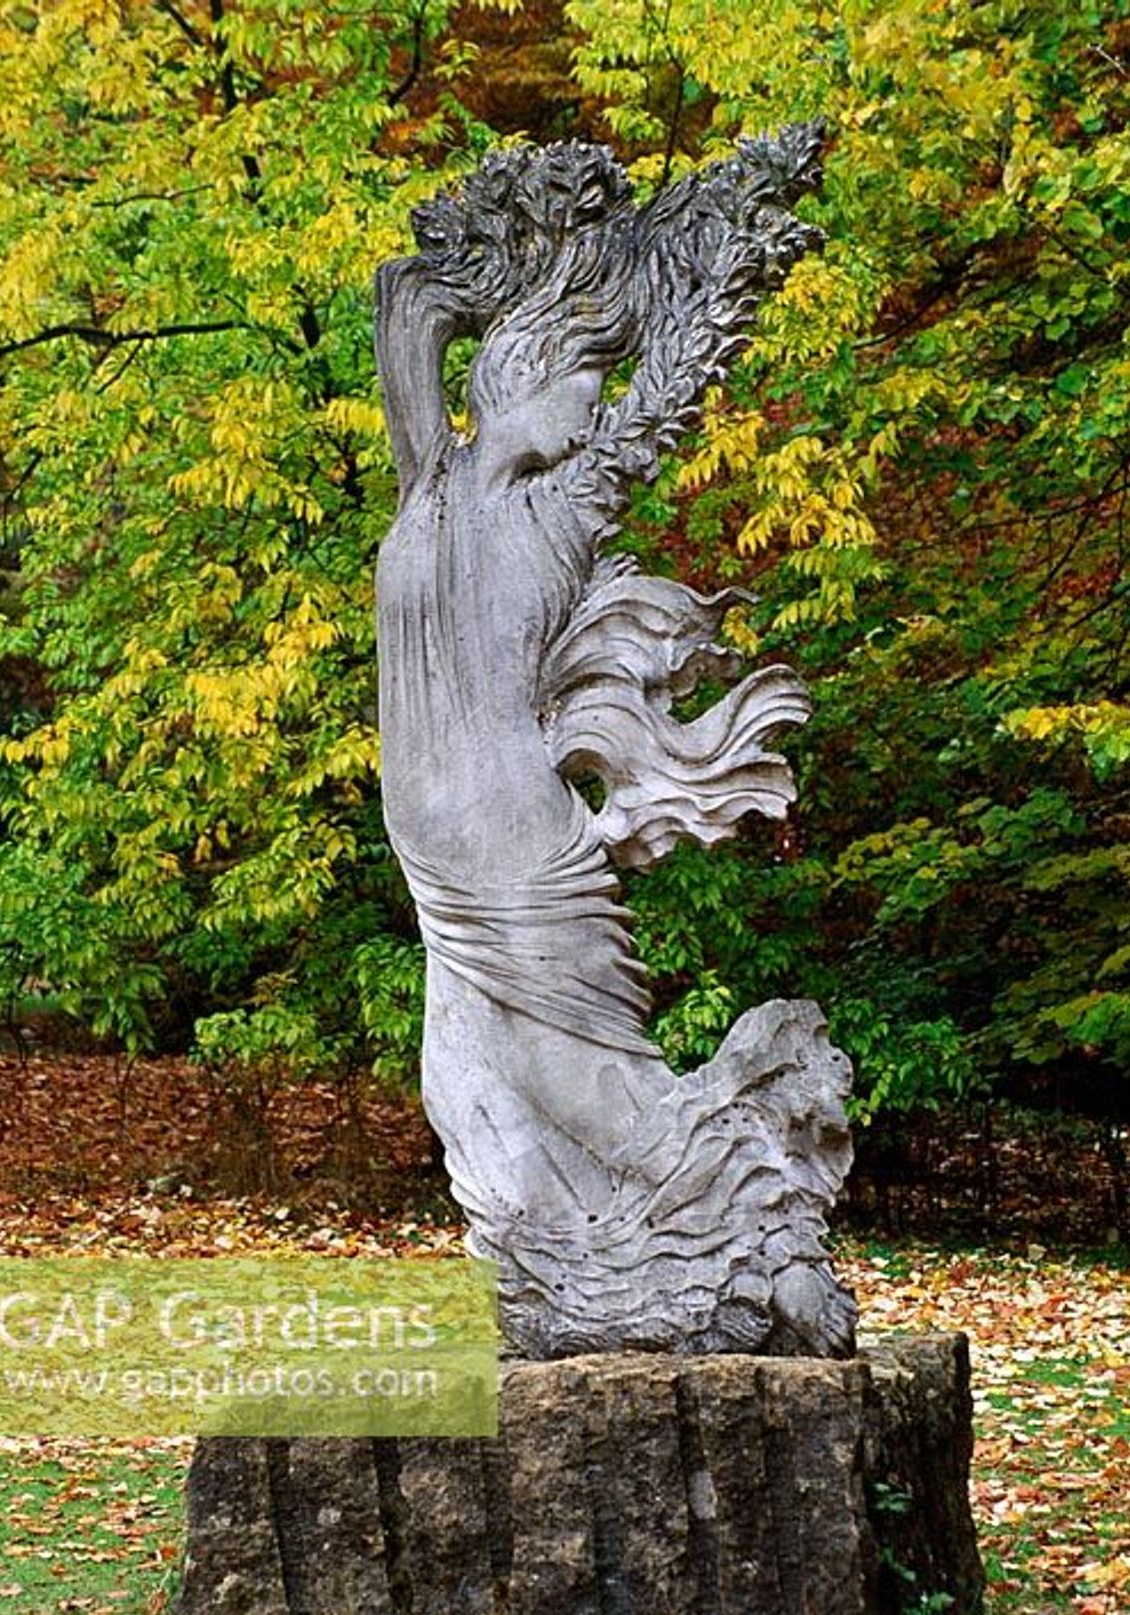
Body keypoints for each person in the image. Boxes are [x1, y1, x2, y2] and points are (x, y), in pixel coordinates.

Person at [374, 134, 856, 1357]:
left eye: (603, 375)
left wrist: (716, 283)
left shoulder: (558, 512)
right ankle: (572, 1288)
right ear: (520, 372)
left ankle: (771, 1256)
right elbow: (407, 300)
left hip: (508, 848)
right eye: (584, 371)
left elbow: (658, 416)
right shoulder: (432, 482)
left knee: (592, 1080)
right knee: (468, 1095)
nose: (597, 401)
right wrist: (535, 251)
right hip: (446, 854)